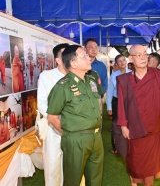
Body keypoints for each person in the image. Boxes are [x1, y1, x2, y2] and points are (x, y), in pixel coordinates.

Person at [117, 45, 160, 186]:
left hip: (155, 128)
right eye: (138, 55)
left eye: (145, 54)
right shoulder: (124, 80)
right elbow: (121, 105)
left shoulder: (158, 76)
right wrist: (123, 126)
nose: (143, 57)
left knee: (151, 166)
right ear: (131, 59)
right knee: (135, 162)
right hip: (135, 129)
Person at [47, 45, 104, 186]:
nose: (88, 57)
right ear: (73, 63)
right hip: (76, 140)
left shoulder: (91, 80)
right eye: (83, 56)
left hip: (96, 137)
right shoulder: (62, 86)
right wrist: (69, 134)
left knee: (95, 180)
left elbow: (98, 102)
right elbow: (52, 117)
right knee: (73, 181)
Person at [37, 43, 69, 186]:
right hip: (52, 128)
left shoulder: (78, 76)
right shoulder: (46, 76)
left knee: (72, 168)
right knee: (53, 168)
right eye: (65, 55)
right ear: (58, 60)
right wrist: (55, 120)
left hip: (74, 129)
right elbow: (42, 104)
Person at [106, 55, 131, 153]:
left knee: (130, 122)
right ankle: (115, 146)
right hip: (117, 101)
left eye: (123, 60)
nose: (122, 62)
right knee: (116, 123)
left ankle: (130, 144)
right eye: (119, 61)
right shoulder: (114, 75)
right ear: (116, 64)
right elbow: (110, 92)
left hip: (129, 102)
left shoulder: (132, 73)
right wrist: (109, 106)